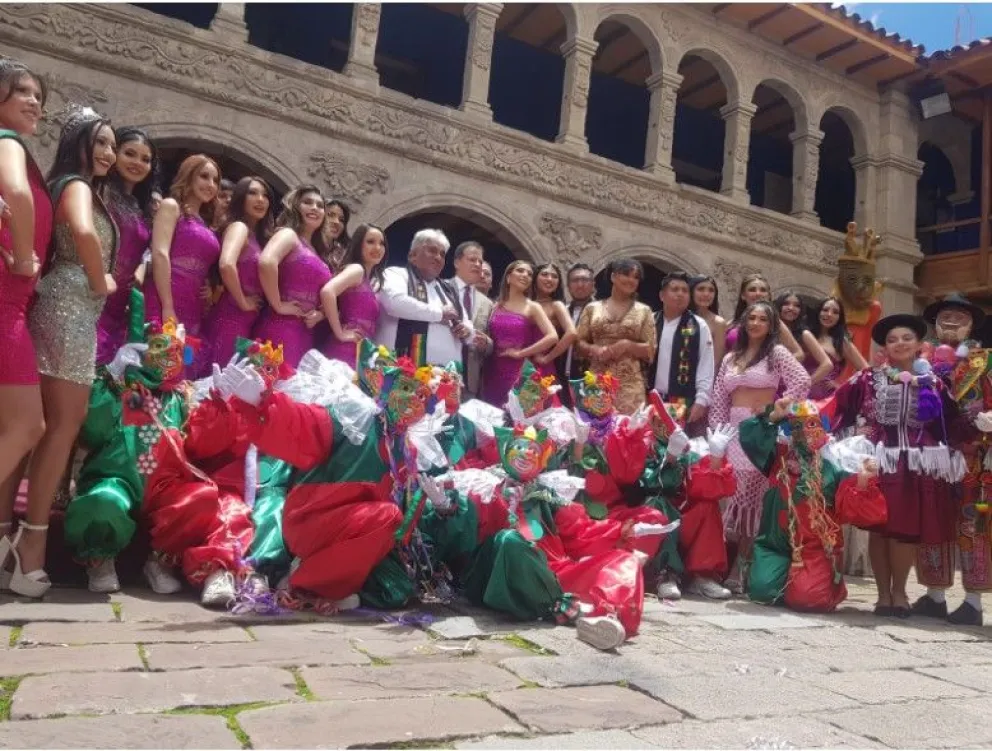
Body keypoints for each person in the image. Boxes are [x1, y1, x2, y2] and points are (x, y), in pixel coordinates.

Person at [15, 109, 118, 598]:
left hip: (58, 306)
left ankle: (11, 539)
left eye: (111, 145)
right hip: (71, 308)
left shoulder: (66, 183)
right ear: (77, 142)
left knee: (37, 431)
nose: (108, 153)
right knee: (61, 429)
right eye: (100, 142)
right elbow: (83, 232)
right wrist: (100, 281)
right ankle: (31, 546)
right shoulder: (77, 186)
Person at [823, 313, 969, 617]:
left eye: (906, 338)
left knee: (904, 531)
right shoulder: (867, 379)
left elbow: (952, 422)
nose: (899, 343)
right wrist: (819, 427)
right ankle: (882, 595)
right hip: (879, 462)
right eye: (892, 340)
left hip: (916, 465)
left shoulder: (934, 384)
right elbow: (836, 407)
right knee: (879, 529)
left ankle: (900, 593)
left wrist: (977, 431)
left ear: (919, 344)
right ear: (885, 347)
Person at [741, 399, 884, 612]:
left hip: (815, 548)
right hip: (775, 545)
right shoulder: (778, 458)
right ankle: (780, 577)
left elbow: (860, 512)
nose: (804, 432)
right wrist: (773, 416)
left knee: (808, 599)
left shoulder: (834, 465)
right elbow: (751, 439)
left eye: (811, 424)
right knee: (762, 591)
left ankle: (824, 584)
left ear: (822, 426)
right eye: (797, 426)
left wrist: (863, 481)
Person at [709, 301, 811, 592]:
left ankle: (742, 567)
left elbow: (802, 381)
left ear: (771, 325)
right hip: (732, 430)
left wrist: (777, 410)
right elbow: (719, 398)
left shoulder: (776, 353)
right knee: (729, 495)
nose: (755, 323)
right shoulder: (731, 357)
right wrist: (717, 433)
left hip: (760, 431)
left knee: (753, 500)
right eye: (751, 318)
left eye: (762, 319)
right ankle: (719, 564)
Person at [912, 293, 992, 625]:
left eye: (961, 317)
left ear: (971, 325)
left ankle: (973, 602)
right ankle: (934, 595)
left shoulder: (984, 361)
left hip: (973, 457)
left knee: (972, 524)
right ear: (935, 323)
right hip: (930, 455)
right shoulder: (921, 360)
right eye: (946, 315)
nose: (952, 321)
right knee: (932, 521)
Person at [0, 59, 54, 523]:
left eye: (38, 95)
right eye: (23, 92)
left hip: (12, 302)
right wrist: (21, 258)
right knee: (28, 424)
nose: (34, 102)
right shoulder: (8, 141)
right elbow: (17, 194)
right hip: (6, 301)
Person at [144, 153, 221, 376]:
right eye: (204, 176)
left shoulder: (206, 223)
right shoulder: (171, 207)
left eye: (215, 180)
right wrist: (167, 306)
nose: (211, 184)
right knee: (156, 368)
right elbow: (160, 254)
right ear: (189, 176)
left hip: (193, 307)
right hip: (165, 298)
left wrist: (208, 290)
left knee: (182, 369)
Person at [96, 126, 158, 366]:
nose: (137, 163)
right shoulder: (99, 192)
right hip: (94, 291)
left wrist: (142, 270)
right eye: (130, 154)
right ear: (115, 153)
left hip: (123, 303)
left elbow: (147, 253)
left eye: (145, 159)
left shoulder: (144, 207)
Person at [254, 185, 332, 366]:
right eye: (307, 202)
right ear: (296, 206)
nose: (314, 208)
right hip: (280, 327)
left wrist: (320, 314)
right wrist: (278, 305)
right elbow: (266, 262)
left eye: (320, 206)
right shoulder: (289, 235)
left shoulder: (318, 251)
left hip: (305, 332)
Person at [202, 177, 274, 367]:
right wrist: (243, 301)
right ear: (241, 197)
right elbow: (226, 264)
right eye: (252, 193)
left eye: (265, 195)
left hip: (246, 323)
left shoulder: (258, 238)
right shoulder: (239, 227)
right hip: (228, 318)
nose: (260, 199)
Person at [376, 228, 473, 367]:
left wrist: (467, 330)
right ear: (412, 255)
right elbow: (394, 303)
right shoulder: (396, 274)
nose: (438, 257)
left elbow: (467, 322)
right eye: (432, 251)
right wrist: (439, 314)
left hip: (447, 375)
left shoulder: (448, 290)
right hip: (400, 372)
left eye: (442, 254)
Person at [574, 259, 656, 414]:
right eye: (626, 274)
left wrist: (627, 345)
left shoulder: (644, 311)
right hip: (597, 380)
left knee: (629, 427)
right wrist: (594, 349)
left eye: (636, 277)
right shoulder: (592, 308)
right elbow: (578, 343)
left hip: (630, 386)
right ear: (613, 276)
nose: (631, 280)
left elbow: (651, 350)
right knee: (595, 426)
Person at [481, 260, 558, 407]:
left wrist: (521, 353)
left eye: (529, 274)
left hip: (518, 372)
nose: (525, 275)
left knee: (516, 413)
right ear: (508, 277)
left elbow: (552, 336)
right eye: (520, 271)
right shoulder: (496, 305)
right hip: (492, 370)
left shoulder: (533, 307)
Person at [649, 271, 715, 430]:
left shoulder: (699, 326)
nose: (680, 294)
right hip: (649, 397)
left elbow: (706, 364)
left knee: (675, 443)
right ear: (662, 295)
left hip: (681, 401)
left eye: (685, 291)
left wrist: (702, 399)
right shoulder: (650, 321)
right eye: (675, 289)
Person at [320, 223, 387, 369]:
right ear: (359, 245)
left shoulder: (369, 280)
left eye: (381, 243)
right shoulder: (357, 270)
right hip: (344, 350)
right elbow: (328, 291)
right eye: (370, 242)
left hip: (358, 353)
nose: (377, 248)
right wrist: (340, 333)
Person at [448, 241, 493, 400]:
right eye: (472, 259)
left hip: (471, 380)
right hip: (441, 374)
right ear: (457, 262)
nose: (477, 264)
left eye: (480, 261)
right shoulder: (440, 288)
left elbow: (491, 342)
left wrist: (486, 343)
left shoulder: (487, 303)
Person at [727, 274, 804, 360]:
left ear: (769, 296)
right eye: (752, 290)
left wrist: (769, 364)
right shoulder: (731, 324)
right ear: (743, 295)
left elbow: (799, 354)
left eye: (763, 290)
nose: (758, 293)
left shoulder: (775, 323)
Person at [805, 296, 868, 399]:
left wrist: (842, 387)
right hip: (798, 395)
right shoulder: (806, 335)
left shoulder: (841, 342)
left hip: (825, 400)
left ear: (839, 318)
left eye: (835, 312)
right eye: (825, 310)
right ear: (818, 312)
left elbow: (866, 370)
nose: (829, 314)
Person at [532, 262, 577, 397]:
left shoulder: (556, 305)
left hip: (540, 366)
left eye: (554, 276)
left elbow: (571, 333)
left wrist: (547, 358)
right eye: (545, 274)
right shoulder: (524, 302)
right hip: (517, 361)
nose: (549, 279)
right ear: (535, 277)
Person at [775, 290, 832, 389]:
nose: (791, 308)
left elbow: (827, 364)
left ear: (801, 311)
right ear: (778, 306)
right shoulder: (769, 331)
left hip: (790, 389)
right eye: (786, 304)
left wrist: (804, 384)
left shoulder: (804, 334)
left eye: (797, 305)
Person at [690, 275, 727, 368]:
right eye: (701, 289)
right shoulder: (679, 317)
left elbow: (716, 362)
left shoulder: (718, 323)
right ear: (691, 292)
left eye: (711, 290)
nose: (706, 294)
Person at [322, 198, 351, 272]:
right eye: (331, 215)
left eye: (341, 220)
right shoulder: (301, 243)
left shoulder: (344, 257)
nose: (336, 222)